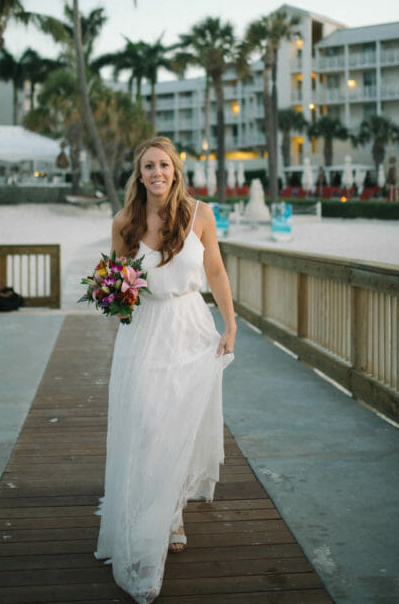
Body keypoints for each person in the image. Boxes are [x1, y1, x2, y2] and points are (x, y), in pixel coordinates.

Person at [95, 136, 236, 603]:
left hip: (191, 327)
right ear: (139, 174)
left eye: (164, 165)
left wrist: (230, 323)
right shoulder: (124, 222)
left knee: (179, 426)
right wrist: (113, 296)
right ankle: (143, 515)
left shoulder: (200, 215)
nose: (157, 173)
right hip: (144, 333)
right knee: (148, 425)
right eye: (148, 166)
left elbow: (214, 270)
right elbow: (116, 279)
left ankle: (172, 514)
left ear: (176, 170)